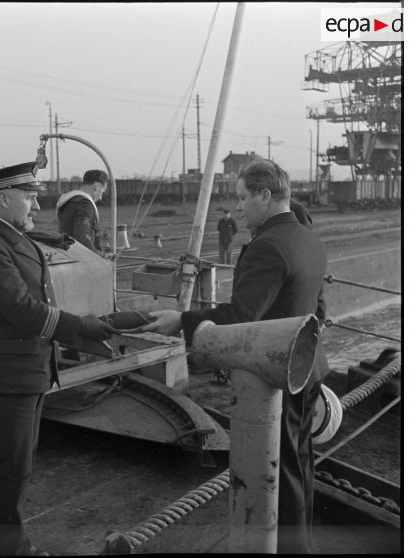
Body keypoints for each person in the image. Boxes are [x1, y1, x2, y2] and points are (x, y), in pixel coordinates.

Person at [143, 159, 329, 554]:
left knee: (283, 467)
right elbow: (321, 310)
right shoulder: (308, 238)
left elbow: (242, 318)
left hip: (276, 373)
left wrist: (182, 319)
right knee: (300, 462)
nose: (240, 207)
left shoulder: (268, 246)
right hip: (309, 366)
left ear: (265, 196)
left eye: (244, 198)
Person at [0, 162, 118, 556]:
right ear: (2, 198)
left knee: (11, 459)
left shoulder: (15, 238)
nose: (37, 205)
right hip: (4, 373)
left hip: (26, 369)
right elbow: (25, 311)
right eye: (30, 197)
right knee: (12, 464)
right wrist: (82, 327)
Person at [56, 169, 108, 253]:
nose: (100, 197)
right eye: (101, 192)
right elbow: (82, 238)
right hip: (80, 258)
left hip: (67, 253)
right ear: (96, 187)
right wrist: (99, 258)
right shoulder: (84, 205)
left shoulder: (68, 201)